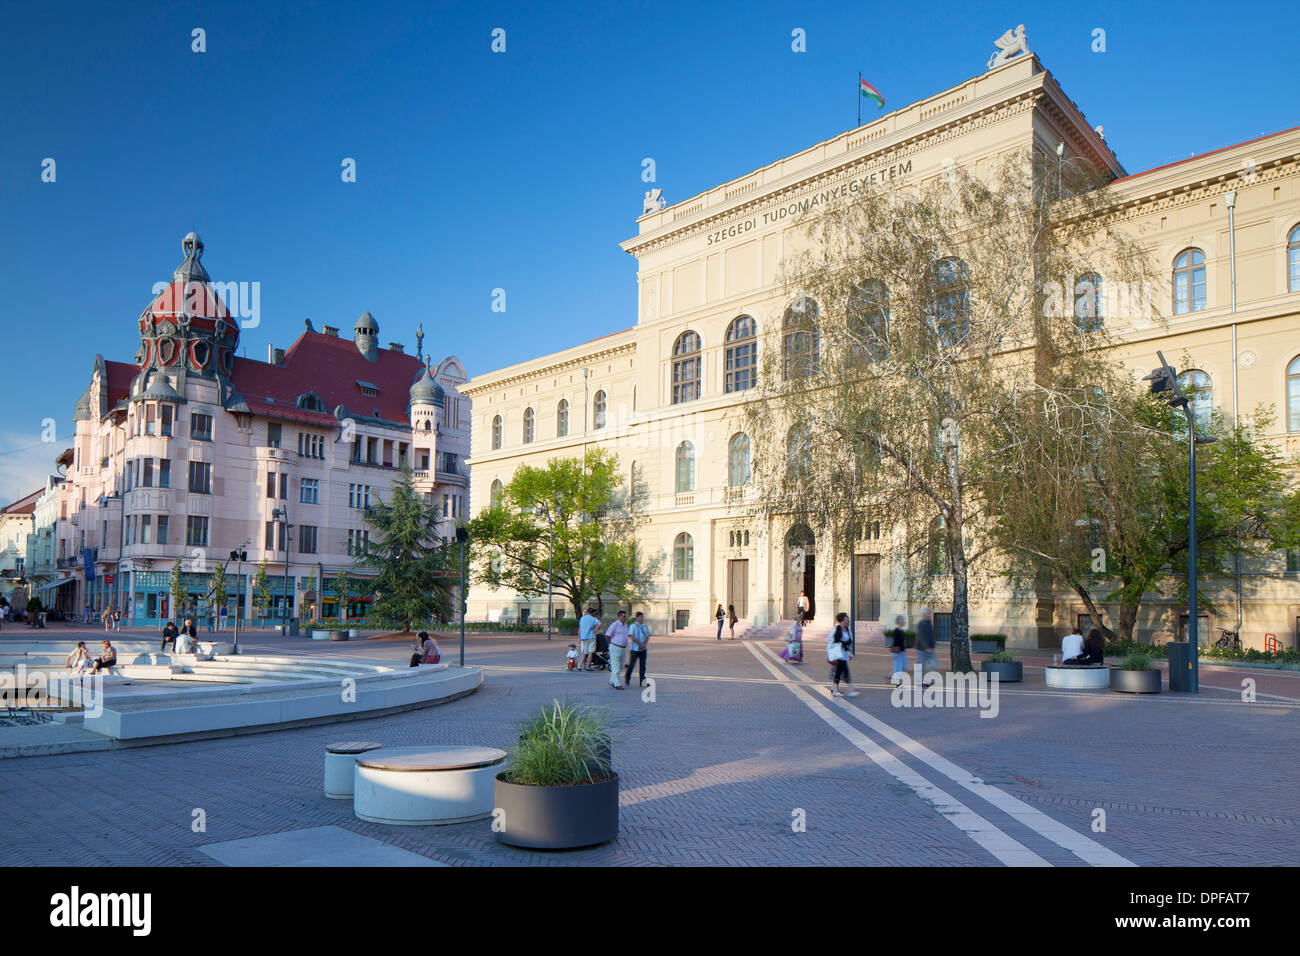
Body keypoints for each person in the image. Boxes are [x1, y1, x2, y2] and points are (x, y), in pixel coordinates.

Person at [827, 612, 858, 698]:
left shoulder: (847, 629)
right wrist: (848, 651)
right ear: (842, 620)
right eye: (846, 618)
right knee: (844, 671)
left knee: (838, 672)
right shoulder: (837, 629)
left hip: (844, 655)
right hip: (838, 655)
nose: (848, 619)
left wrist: (849, 651)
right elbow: (838, 642)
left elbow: (849, 641)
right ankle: (851, 689)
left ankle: (834, 689)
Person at [605, 609, 630, 689]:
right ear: (619, 617)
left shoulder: (625, 625)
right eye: (623, 616)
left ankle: (612, 680)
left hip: (622, 648)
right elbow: (607, 635)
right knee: (615, 666)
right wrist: (610, 644)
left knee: (621, 665)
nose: (625, 618)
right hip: (615, 647)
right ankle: (617, 684)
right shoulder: (614, 625)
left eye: (625, 616)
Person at [625, 611, 650, 687]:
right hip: (635, 649)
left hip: (643, 649)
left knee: (643, 665)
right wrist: (639, 644)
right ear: (637, 618)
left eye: (642, 617)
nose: (642, 619)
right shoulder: (633, 626)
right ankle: (627, 677)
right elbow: (632, 636)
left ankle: (642, 681)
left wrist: (644, 644)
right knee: (632, 665)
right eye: (640, 617)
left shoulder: (644, 626)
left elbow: (648, 636)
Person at [889, 614, 909, 686]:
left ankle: (893, 677)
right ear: (900, 622)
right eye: (903, 621)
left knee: (902, 666)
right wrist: (898, 652)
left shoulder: (900, 630)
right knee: (899, 667)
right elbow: (897, 642)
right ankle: (897, 682)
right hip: (898, 651)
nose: (904, 622)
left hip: (899, 651)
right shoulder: (897, 631)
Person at [578, 606, 601, 671]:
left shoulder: (582, 618)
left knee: (584, 653)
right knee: (591, 652)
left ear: (587, 612)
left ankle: (579, 666)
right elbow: (599, 623)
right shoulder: (593, 619)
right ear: (593, 613)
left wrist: (579, 637)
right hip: (591, 637)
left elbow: (580, 629)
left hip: (583, 637)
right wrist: (595, 629)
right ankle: (588, 666)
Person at [916, 608, 937, 675]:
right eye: (928, 613)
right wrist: (926, 647)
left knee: (934, 663)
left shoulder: (929, 622)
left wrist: (933, 644)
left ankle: (929, 677)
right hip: (922, 649)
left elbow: (931, 634)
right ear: (924, 614)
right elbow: (920, 637)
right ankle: (919, 680)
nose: (930, 615)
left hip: (930, 648)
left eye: (930, 613)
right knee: (920, 664)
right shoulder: (921, 624)